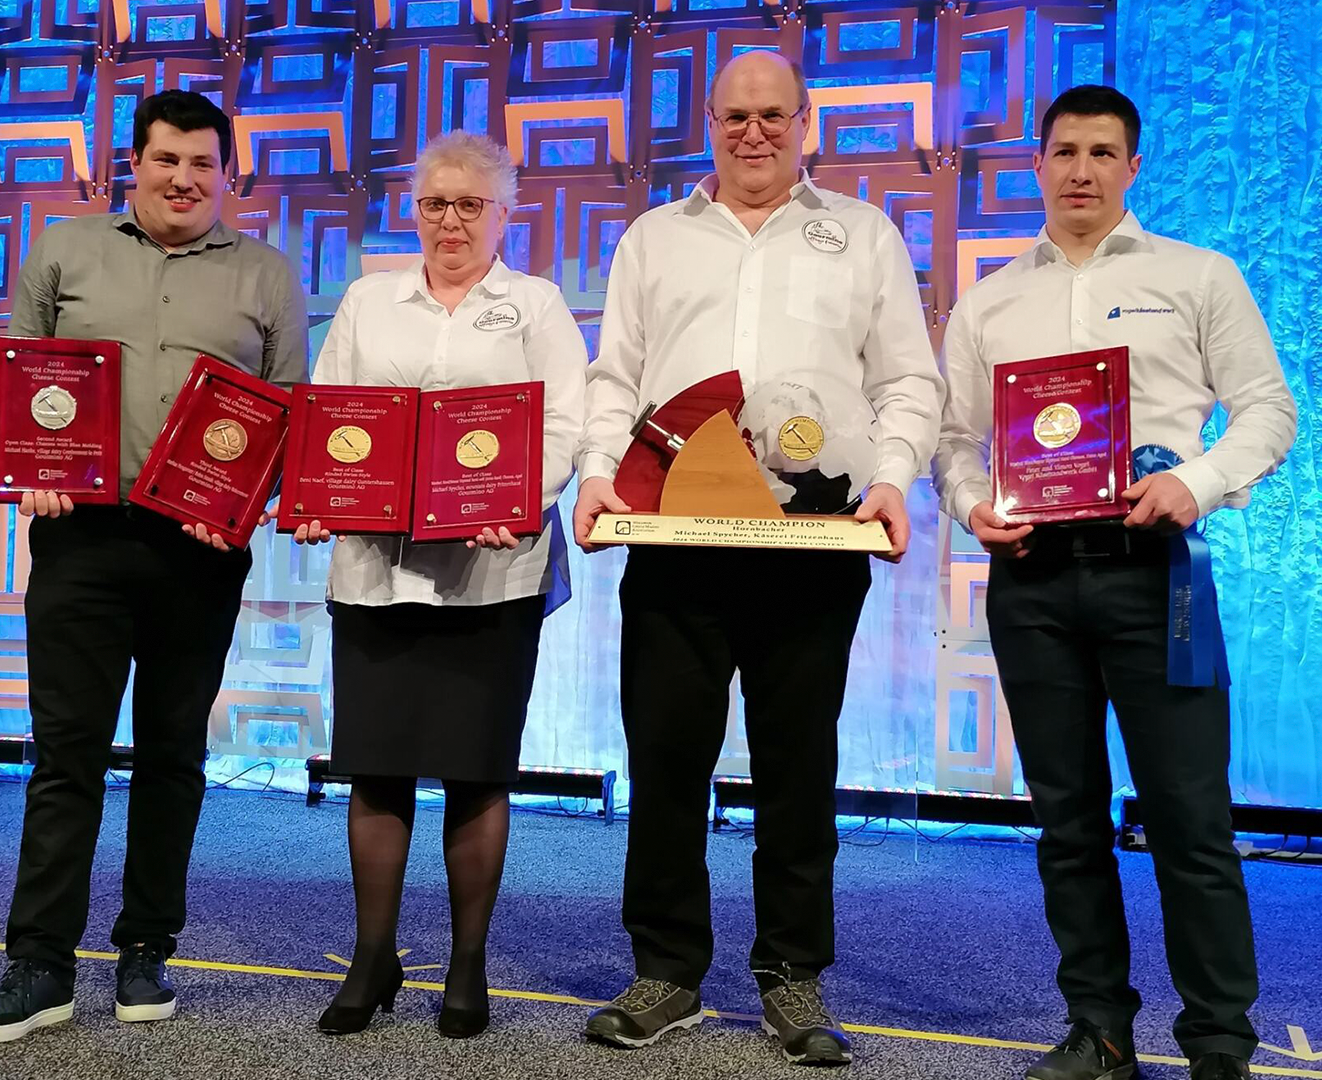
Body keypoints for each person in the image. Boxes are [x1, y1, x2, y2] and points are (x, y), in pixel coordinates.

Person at [573, 51, 944, 1066]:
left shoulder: (863, 234)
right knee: (663, 764)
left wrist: (894, 478)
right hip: (675, 546)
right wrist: (599, 472)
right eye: (735, 115)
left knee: (797, 770)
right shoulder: (655, 237)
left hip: (816, 548)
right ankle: (668, 973)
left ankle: (792, 976)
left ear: (807, 122)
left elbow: (909, 380)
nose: (753, 132)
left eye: (773, 115)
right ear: (709, 118)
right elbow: (616, 377)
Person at [933, 84, 1296, 1080]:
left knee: (1192, 820)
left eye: (1103, 152)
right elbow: (953, 446)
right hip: (1033, 580)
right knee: (1066, 819)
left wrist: (1198, 481)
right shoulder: (992, 299)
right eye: (1065, 152)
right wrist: (971, 507)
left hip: (1159, 578)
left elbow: (1268, 408)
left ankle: (1220, 1044)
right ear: (1036, 166)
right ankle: (1097, 1029)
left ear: (1134, 168)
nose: (1082, 169)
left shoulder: (1199, 274)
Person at [0, 90, 309, 1044]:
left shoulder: (268, 274)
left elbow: (286, 414)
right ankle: (39, 966)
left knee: (173, 757)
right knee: (64, 757)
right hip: (80, 538)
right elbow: (21, 375)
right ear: (134, 165)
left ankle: (147, 947)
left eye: (203, 164)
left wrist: (244, 504)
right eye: (166, 161)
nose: (184, 179)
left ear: (228, 175)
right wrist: (28, 473)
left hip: (199, 553)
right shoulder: (65, 251)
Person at [289, 131, 585, 1040]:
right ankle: (372, 957)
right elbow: (328, 407)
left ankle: (467, 964)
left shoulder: (534, 304)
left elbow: (567, 424)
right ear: (411, 210)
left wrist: (519, 499)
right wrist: (313, 492)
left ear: (505, 214)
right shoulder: (368, 300)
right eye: (433, 203)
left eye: (469, 204)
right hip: (374, 570)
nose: (450, 220)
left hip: (495, 570)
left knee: (476, 769)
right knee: (375, 769)